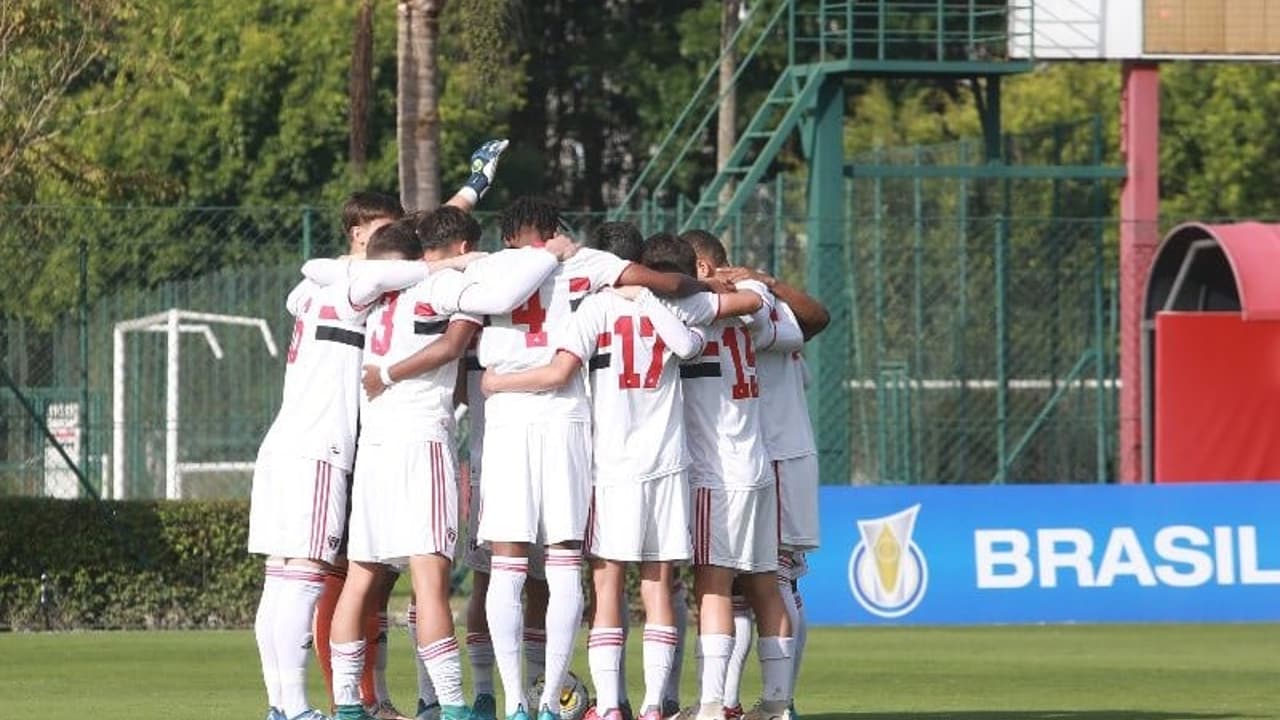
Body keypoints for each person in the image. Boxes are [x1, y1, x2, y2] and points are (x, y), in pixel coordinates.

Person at [481, 231, 761, 720]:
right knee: (658, 586)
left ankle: (612, 707)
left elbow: (558, 372)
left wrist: (497, 381)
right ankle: (653, 705)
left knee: (606, 587)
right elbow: (739, 309)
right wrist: (691, 291)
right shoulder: (682, 309)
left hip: (611, 467)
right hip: (667, 466)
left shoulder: (594, 309)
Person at [673, 230, 795, 720]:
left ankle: (709, 706)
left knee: (714, 587)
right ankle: (777, 702)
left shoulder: (693, 319)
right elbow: (767, 306)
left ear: (702, 268)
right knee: (764, 585)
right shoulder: (754, 313)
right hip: (758, 467)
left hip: (716, 472)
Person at [713, 265, 828, 719]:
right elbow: (813, 327)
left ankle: (776, 702)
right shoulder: (753, 310)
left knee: (773, 579)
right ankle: (738, 702)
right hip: (756, 457)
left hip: (774, 455)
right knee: (751, 586)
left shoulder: (753, 308)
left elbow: (817, 319)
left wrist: (766, 283)